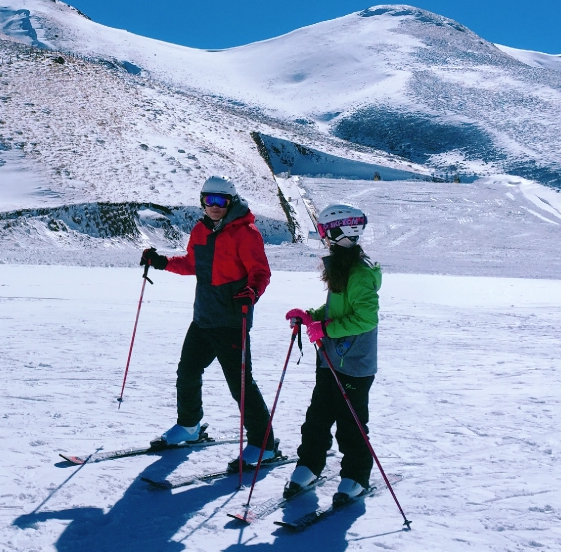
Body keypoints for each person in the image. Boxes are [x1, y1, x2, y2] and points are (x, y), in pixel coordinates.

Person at [141, 176, 276, 465]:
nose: (214, 206)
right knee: (187, 372)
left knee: (240, 384)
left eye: (221, 200)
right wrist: (162, 262)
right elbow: (192, 264)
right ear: (202, 200)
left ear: (231, 202)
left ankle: (264, 444)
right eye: (209, 200)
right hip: (203, 317)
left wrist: (252, 292)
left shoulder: (246, 233)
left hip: (231, 320)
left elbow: (260, 273)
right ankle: (189, 426)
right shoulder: (200, 230)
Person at [284, 203, 382, 507]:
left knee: (351, 423)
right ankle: (309, 466)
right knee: (317, 418)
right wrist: (310, 316)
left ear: (341, 233)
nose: (323, 239)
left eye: (326, 233)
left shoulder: (360, 274)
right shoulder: (341, 267)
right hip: (330, 359)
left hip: (354, 364)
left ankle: (356, 475)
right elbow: (335, 312)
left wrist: (325, 328)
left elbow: (366, 319)